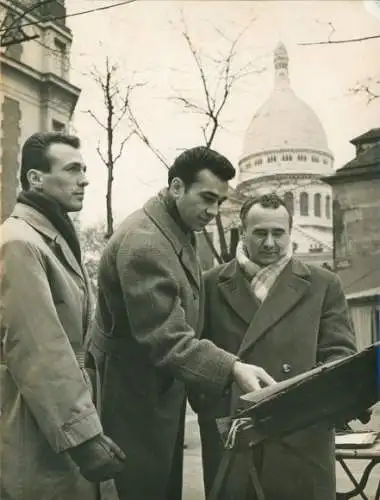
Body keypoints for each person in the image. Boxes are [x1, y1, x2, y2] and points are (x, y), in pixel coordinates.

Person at [85, 146, 276, 500]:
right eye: (206, 198)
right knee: (142, 490)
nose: (213, 211)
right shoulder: (146, 244)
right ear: (176, 187)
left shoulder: (175, 229)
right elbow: (167, 339)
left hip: (154, 390)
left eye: (219, 201)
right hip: (132, 397)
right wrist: (232, 367)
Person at [191, 192, 357, 500]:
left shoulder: (324, 284)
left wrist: (306, 407)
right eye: (260, 233)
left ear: (289, 232)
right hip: (235, 436)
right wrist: (215, 408)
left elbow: (340, 358)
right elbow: (195, 353)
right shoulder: (210, 285)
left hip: (302, 437)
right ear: (243, 232)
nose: (270, 243)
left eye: (278, 233)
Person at [0, 132, 125, 500]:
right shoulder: (20, 243)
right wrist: (84, 438)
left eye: (84, 169)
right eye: (72, 169)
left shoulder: (51, 237)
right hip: (37, 423)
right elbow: (40, 349)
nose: (84, 179)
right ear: (35, 178)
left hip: (58, 418)